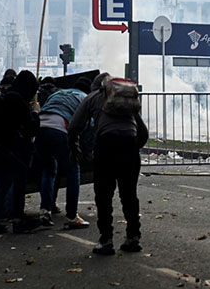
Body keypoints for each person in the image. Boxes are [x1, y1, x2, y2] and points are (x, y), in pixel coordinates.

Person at [68, 73, 148, 255]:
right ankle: (133, 237)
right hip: (129, 145)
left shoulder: (93, 97)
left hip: (106, 145)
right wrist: (134, 148)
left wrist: (74, 148)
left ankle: (106, 240)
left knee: (103, 196)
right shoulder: (125, 100)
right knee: (129, 194)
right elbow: (143, 132)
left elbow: (74, 127)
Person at [0, 70, 41, 235]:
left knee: (3, 183)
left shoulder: (6, 96)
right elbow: (31, 129)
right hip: (8, 149)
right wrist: (35, 112)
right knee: (18, 177)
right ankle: (17, 220)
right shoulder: (17, 100)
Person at [36, 77, 92, 229]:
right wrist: (88, 149)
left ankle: (45, 210)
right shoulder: (84, 99)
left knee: (48, 171)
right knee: (73, 171)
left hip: (40, 128)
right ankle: (72, 216)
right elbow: (87, 126)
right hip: (60, 129)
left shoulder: (57, 94)